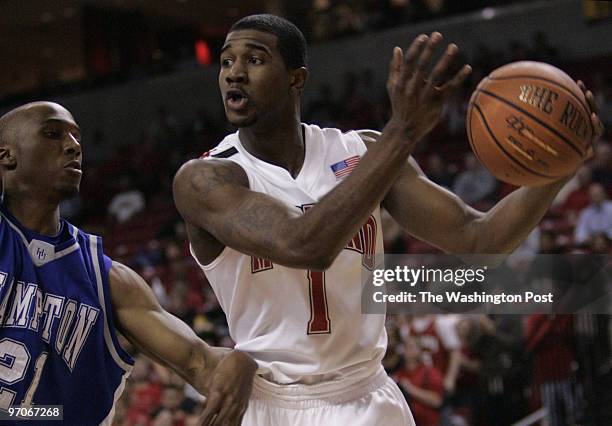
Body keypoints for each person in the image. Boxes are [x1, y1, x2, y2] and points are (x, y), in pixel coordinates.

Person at [172, 14, 603, 426]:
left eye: (255, 59)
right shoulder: (206, 178)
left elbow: (479, 239)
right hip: (274, 403)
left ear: (295, 78)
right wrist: (404, 130)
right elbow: (305, 245)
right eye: (227, 61)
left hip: (368, 396)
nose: (234, 72)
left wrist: (559, 166)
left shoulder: (363, 151)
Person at [0, 101, 256, 425]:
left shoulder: (107, 279)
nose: (73, 146)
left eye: (77, 137)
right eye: (53, 134)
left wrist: (248, 362)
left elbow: (199, 363)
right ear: (6, 155)